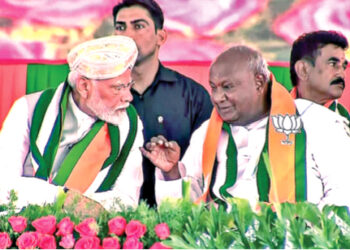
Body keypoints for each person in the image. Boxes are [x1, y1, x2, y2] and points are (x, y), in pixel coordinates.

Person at [141, 45, 350, 209]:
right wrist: (171, 173)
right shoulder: (207, 132)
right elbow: (185, 210)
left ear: (259, 83)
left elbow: (343, 193)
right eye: (213, 88)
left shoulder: (315, 121)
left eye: (227, 87)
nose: (217, 98)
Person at [0, 35, 144, 211]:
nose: (128, 97)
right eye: (118, 88)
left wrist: (88, 209)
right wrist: (61, 199)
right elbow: (3, 185)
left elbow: (127, 199)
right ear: (84, 87)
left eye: (129, 86)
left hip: (91, 234)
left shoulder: (128, 122)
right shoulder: (28, 109)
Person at [113, 0, 213, 206]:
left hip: (178, 223)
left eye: (138, 26)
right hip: (111, 224)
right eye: (120, 27)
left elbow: (209, 171)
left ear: (161, 37)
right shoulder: (101, 96)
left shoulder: (193, 96)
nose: (127, 35)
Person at [290, 30, 350, 121]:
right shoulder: (269, 112)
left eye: (343, 66)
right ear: (303, 69)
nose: (342, 74)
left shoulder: (344, 121)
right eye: (332, 64)